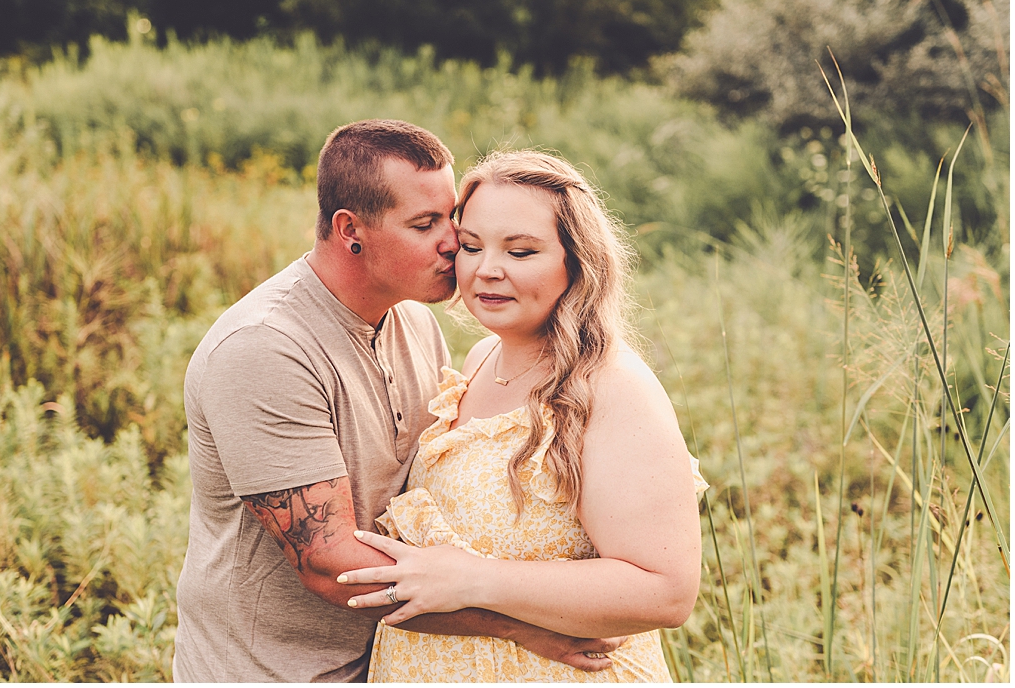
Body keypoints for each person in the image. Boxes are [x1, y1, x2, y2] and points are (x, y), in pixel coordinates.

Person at [173, 121, 625, 682]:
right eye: (424, 224)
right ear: (349, 230)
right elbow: (328, 562)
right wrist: (522, 625)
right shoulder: (265, 350)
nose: (452, 242)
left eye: (450, 217)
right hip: (274, 670)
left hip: (392, 661)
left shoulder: (413, 319)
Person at [336, 149, 709, 682]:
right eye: (471, 246)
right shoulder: (481, 361)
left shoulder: (612, 386)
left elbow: (666, 591)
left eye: (521, 251)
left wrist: (475, 580)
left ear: (576, 260)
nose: (488, 270)